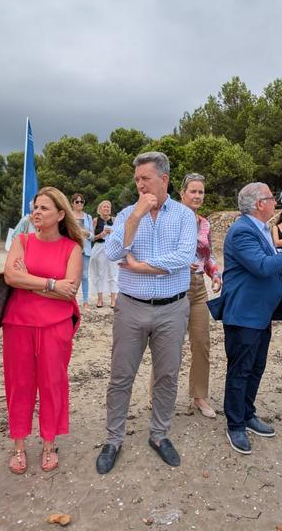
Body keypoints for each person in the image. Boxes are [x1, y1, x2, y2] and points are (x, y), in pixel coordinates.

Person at [97, 151, 197, 474]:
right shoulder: (128, 213)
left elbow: (183, 256)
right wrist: (135, 218)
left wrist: (143, 267)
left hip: (172, 308)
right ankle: (113, 439)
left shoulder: (183, 216)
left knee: (167, 375)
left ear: (164, 179)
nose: (139, 184)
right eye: (136, 179)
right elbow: (113, 252)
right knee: (121, 375)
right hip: (131, 307)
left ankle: (159, 434)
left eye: (146, 178)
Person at [209, 182, 282, 454]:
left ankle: (248, 413)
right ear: (258, 204)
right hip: (244, 314)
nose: (275, 202)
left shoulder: (260, 228)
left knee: (256, 367)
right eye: (271, 198)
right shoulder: (242, 231)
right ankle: (235, 425)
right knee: (240, 370)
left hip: (259, 314)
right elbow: (263, 266)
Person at [2, 187, 82, 473]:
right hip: (18, 324)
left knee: (52, 384)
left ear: (61, 214)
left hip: (55, 326)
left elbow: (69, 290)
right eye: (35, 207)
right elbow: (11, 276)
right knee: (18, 385)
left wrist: (29, 280)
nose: (36, 212)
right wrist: (50, 284)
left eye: (44, 208)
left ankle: (49, 443)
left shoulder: (73, 248)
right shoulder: (21, 240)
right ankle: (19, 446)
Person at [179, 173, 222, 418]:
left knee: (202, 344)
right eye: (193, 191)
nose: (197, 196)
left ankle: (199, 396)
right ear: (182, 193)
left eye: (201, 192)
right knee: (170, 346)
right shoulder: (171, 219)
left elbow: (208, 255)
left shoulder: (205, 223)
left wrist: (215, 274)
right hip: (173, 287)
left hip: (198, 288)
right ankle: (158, 394)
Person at [89, 199, 118, 308]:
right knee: (99, 274)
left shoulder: (115, 220)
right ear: (100, 209)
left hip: (111, 248)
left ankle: (113, 300)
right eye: (104, 206)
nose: (106, 208)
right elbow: (91, 238)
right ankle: (100, 299)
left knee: (113, 273)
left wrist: (113, 233)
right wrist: (99, 235)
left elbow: (120, 236)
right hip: (99, 247)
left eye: (108, 207)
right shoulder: (95, 221)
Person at [71, 193, 94, 311]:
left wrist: (87, 234)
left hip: (85, 250)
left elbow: (92, 236)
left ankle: (85, 302)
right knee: (71, 276)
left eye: (82, 201)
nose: (80, 203)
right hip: (71, 250)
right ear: (72, 203)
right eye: (77, 201)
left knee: (85, 276)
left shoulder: (88, 217)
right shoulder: (68, 216)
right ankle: (71, 300)